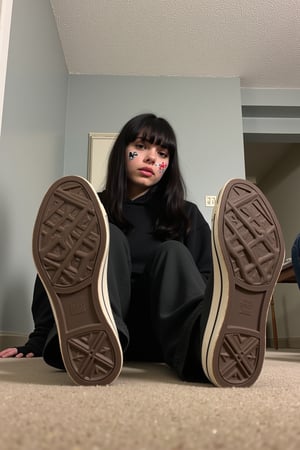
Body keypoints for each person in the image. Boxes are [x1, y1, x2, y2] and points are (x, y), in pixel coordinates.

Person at [0, 113, 285, 387]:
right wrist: (37, 339)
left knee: (173, 252)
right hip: (100, 332)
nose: (152, 158)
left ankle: (203, 349)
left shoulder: (185, 215)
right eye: (140, 146)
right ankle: (85, 338)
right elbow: (57, 275)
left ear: (168, 165)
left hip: (168, 336)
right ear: (122, 152)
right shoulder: (88, 210)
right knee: (104, 236)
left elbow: (206, 278)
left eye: (163, 154)